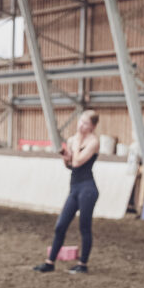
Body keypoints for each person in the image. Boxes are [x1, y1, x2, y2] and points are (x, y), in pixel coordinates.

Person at [34, 110, 101, 274]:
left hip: (88, 189)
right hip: (75, 187)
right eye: (81, 121)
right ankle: (50, 262)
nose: (81, 125)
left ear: (92, 126)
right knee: (60, 225)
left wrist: (77, 145)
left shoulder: (93, 142)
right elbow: (71, 165)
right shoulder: (72, 140)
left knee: (84, 227)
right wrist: (66, 158)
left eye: (85, 123)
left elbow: (78, 162)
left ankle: (83, 264)